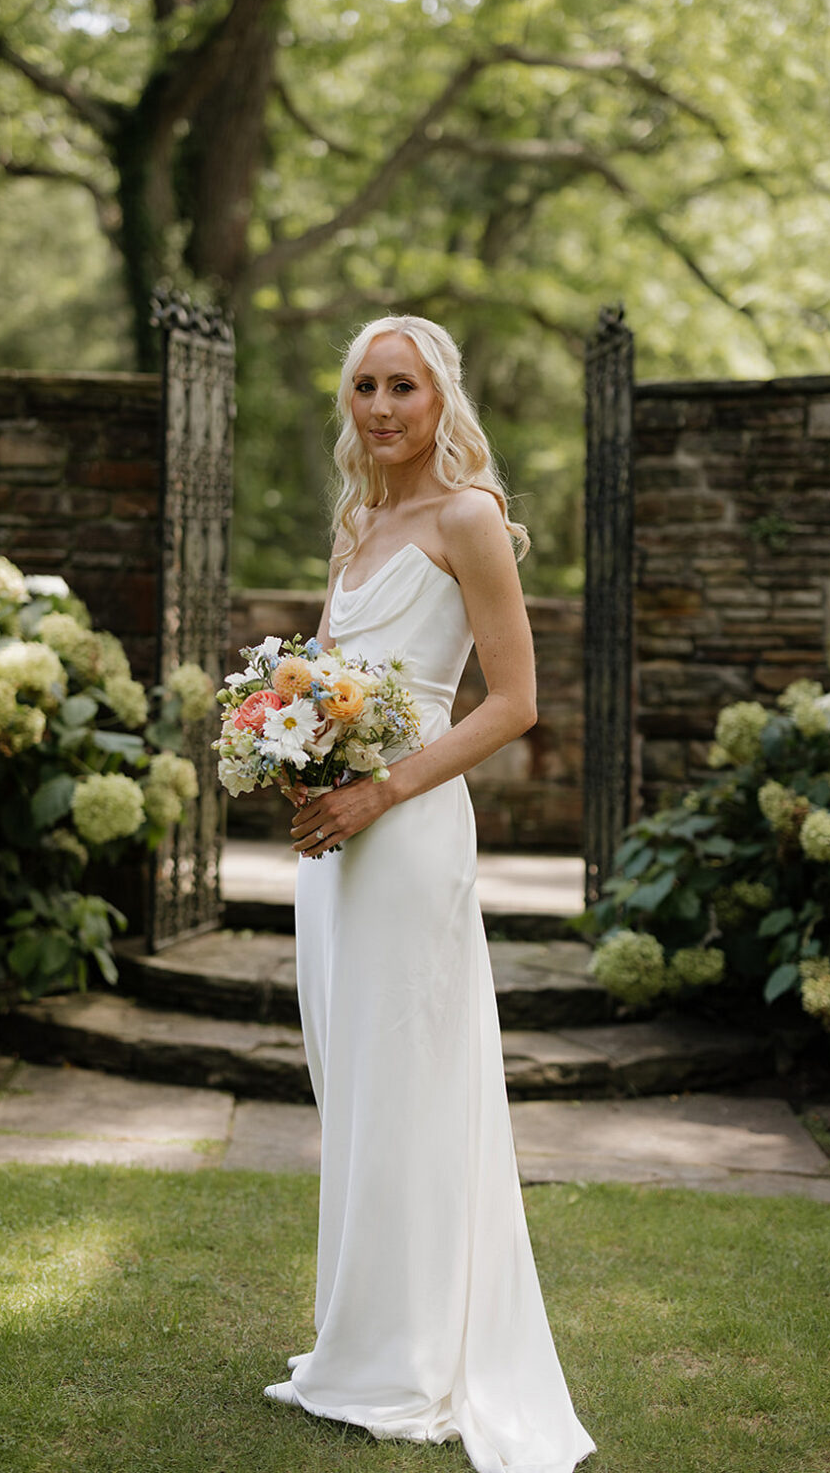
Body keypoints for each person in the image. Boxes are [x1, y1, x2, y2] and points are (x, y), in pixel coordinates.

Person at [264, 314, 596, 1473]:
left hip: (406, 837)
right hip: (336, 842)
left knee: (409, 1076)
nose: (382, 405)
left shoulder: (469, 520)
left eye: (402, 385)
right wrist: (292, 759)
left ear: (440, 396)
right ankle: (354, 1345)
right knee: (349, 1079)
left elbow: (511, 701)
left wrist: (379, 793)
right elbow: (318, 682)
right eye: (364, 386)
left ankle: (412, 1362)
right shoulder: (356, 527)